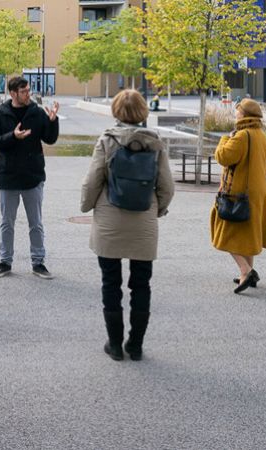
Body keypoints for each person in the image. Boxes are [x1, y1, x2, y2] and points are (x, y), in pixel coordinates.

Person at [80, 90, 175, 361]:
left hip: (110, 220)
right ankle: (135, 345)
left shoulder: (107, 141)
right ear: (143, 111)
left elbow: (92, 180)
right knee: (141, 284)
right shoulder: (156, 143)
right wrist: (158, 209)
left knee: (111, 282)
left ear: (116, 110)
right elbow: (167, 186)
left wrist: (87, 206)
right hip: (144, 220)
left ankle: (115, 344)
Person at [0, 76, 60, 279]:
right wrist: (13, 136)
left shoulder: (36, 112)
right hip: (9, 177)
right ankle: (5, 262)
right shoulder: (1, 113)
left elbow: (50, 139)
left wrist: (53, 122)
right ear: (13, 93)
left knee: (35, 223)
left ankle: (38, 263)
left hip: (32, 176)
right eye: (24, 91)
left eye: (28, 90)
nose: (28, 93)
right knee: (7, 222)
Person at [209, 98, 266, 294]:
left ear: (244, 115)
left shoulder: (241, 136)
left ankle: (246, 270)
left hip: (237, 194)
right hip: (257, 192)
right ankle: (247, 274)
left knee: (223, 233)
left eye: (237, 111)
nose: (235, 114)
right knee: (248, 233)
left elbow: (223, 157)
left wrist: (224, 139)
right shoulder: (262, 136)